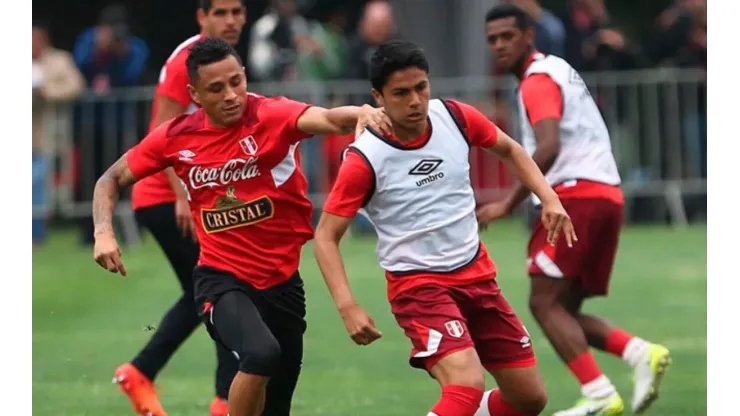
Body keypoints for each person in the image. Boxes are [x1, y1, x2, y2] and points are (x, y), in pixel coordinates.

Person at [91, 37, 390, 416]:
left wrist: (360, 113)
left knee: (277, 405)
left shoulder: (273, 114)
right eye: (216, 88)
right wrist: (103, 231)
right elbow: (110, 179)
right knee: (261, 353)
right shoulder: (177, 136)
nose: (231, 95)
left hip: (283, 285)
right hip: (221, 280)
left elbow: (329, 118)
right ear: (195, 95)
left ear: (245, 76)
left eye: (236, 81)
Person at [313, 40, 577, 416]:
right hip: (418, 286)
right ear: (378, 97)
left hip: (477, 276)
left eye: (421, 87)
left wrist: (549, 198)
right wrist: (347, 305)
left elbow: (512, 150)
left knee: (528, 398)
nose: (415, 101)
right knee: (466, 384)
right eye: (401, 93)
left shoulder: (455, 117)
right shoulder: (365, 158)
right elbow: (325, 236)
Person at [482, 5, 671, 416]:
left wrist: (506, 203)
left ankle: (600, 396)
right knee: (563, 309)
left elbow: (547, 145)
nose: (498, 45)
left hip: (575, 198)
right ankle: (640, 353)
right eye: (492, 39)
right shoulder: (560, 69)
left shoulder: (536, 80)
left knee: (543, 303)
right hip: (606, 194)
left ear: (528, 35)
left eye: (507, 36)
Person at [113, 1, 248, 415]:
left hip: (190, 197)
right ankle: (224, 399)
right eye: (221, 12)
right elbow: (163, 133)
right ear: (201, 16)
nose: (230, 20)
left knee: (210, 293)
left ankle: (144, 373)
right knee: (226, 290)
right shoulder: (187, 60)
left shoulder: (219, 60)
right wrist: (182, 196)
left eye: (238, 11)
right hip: (165, 197)